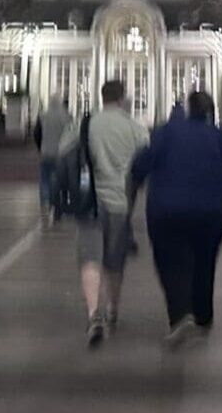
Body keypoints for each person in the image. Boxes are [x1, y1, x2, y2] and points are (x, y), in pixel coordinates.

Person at [133, 90, 222, 348]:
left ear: (187, 109)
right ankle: (203, 315)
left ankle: (181, 314)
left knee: (170, 261)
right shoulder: (219, 137)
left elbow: (143, 161)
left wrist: (135, 180)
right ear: (210, 111)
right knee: (204, 259)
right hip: (213, 210)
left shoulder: (166, 133)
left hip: (168, 209)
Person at [68, 79, 149, 347]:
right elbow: (145, 163)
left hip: (90, 201)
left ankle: (94, 314)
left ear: (102, 97)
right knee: (114, 261)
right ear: (123, 97)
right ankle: (113, 308)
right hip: (120, 203)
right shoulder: (135, 128)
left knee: (90, 258)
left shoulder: (87, 124)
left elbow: (63, 153)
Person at [33, 99, 72, 228]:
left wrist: (40, 147)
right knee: (60, 182)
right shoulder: (66, 117)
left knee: (44, 179)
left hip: (45, 152)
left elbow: (36, 133)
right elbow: (71, 135)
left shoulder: (43, 116)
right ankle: (58, 209)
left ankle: (45, 201)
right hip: (61, 153)